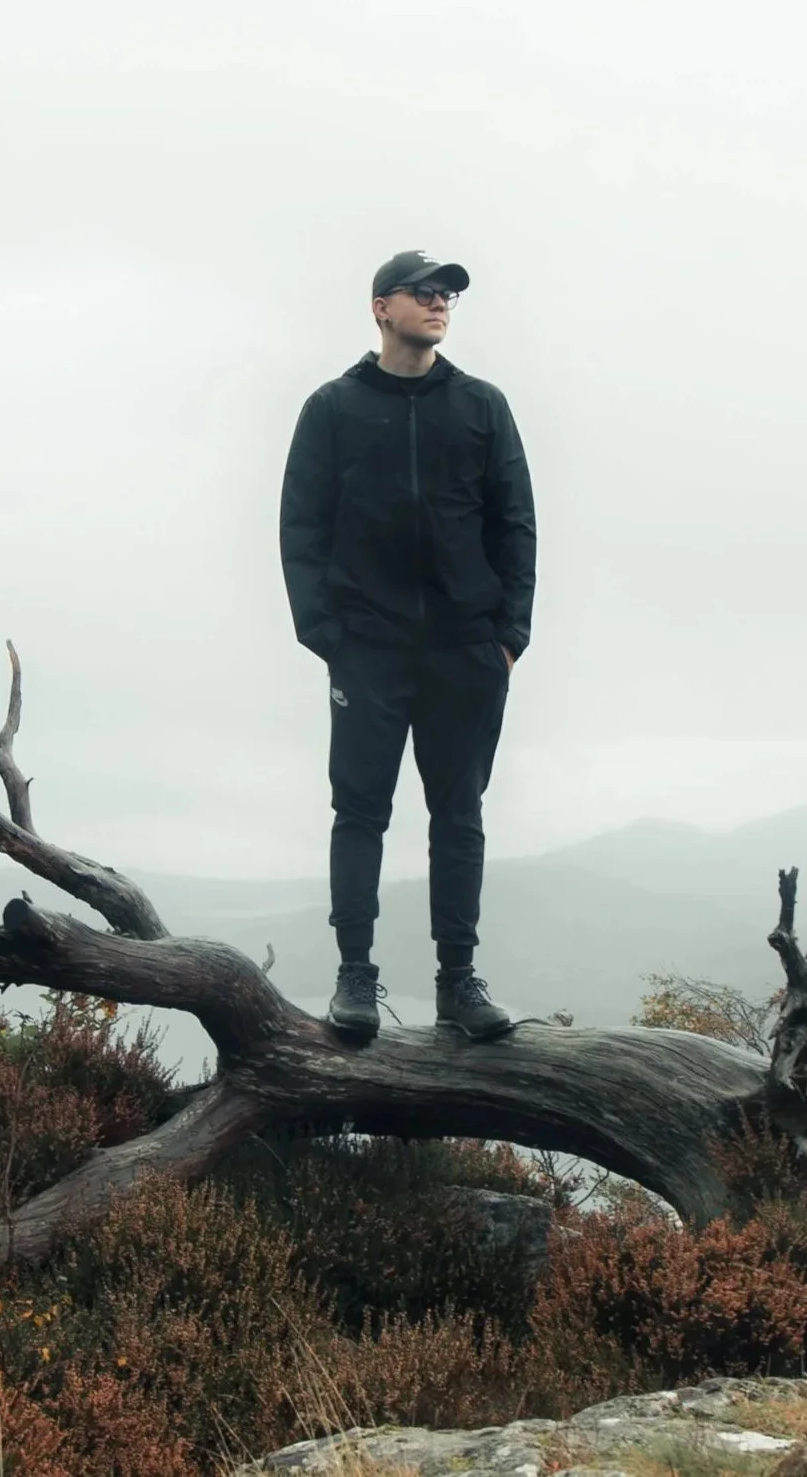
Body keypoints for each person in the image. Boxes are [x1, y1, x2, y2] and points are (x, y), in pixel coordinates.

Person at [279, 250, 536, 1041]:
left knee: (458, 815)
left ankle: (457, 983)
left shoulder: (481, 406)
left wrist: (507, 636)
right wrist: (326, 634)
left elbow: (514, 523)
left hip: (466, 650)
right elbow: (301, 526)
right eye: (423, 293)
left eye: (447, 296)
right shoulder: (332, 408)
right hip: (368, 649)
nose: (439, 304)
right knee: (359, 811)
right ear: (379, 308)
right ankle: (355, 978)